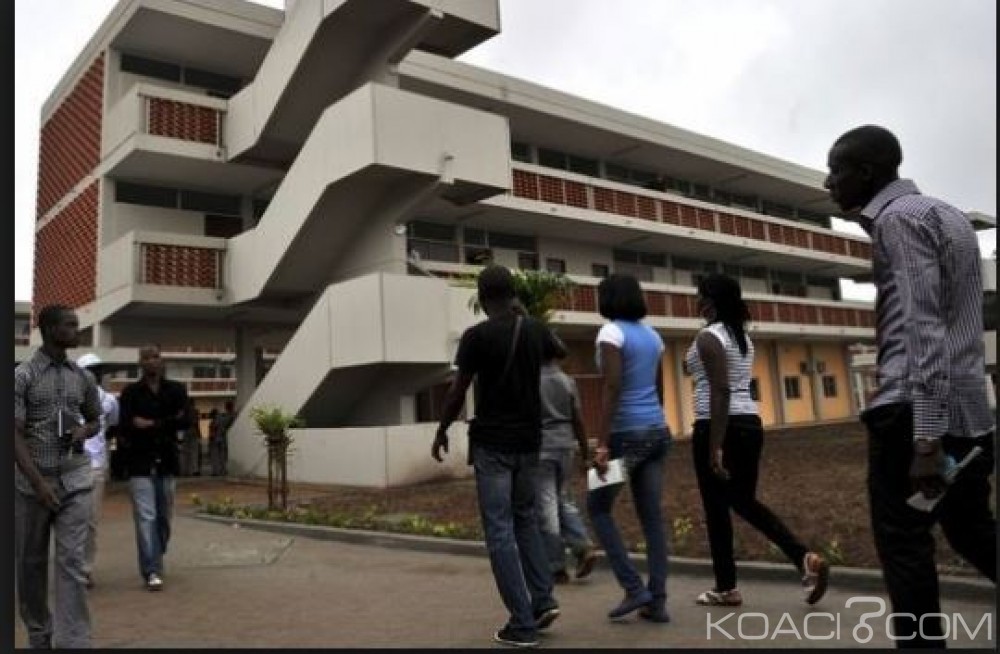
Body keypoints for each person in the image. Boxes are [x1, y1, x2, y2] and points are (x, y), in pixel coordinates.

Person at [825, 125, 996, 646]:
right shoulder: (950, 216)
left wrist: (925, 439)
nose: (828, 183)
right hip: (970, 409)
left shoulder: (897, 221)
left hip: (913, 411)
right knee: (971, 531)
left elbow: (923, 327)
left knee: (904, 546)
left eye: (836, 170)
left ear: (866, 172)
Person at [431, 264, 561, 648]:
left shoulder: (477, 337)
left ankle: (522, 624)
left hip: (493, 446)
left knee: (500, 530)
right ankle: (543, 600)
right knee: (525, 519)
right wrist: (525, 317)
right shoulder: (534, 329)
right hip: (529, 443)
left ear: (483, 298)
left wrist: (441, 430)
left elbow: (457, 391)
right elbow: (561, 350)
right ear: (513, 294)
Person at [684, 273, 829, 608]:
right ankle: (803, 557)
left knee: (716, 509)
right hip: (749, 424)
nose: (696, 300)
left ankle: (726, 587)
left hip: (717, 425)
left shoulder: (708, 337)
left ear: (710, 301)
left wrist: (715, 446)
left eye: (700, 294)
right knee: (744, 501)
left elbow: (720, 390)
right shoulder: (742, 338)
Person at [14, 304, 103, 648]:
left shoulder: (83, 377)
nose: (76, 330)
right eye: (70, 325)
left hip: (75, 481)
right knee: (31, 565)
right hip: (31, 485)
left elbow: (95, 419)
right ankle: (39, 634)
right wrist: (38, 483)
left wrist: (84, 430)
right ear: (50, 329)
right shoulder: (23, 376)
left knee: (72, 562)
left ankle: (74, 640)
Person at [587, 273, 672, 623]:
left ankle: (634, 588)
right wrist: (655, 424)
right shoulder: (653, 336)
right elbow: (658, 388)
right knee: (652, 518)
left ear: (608, 299)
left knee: (597, 507)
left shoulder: (610, 332)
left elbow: (612, 386)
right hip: (657, 433)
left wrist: (602, 442)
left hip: (626, 435)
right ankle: (657, 601)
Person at [118, 344, 190, 591]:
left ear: (162, 360)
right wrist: (168, 422)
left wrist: (150, 424)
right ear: (140, 363)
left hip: (166, 462)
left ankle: (157, 551)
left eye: (155, 356)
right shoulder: (130, 393)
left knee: (164, 517)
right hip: (139, 463)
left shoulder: (176, 390)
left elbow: (186, 420)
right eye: (146, 357)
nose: (151, 361)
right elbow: (126, 425)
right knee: (145, 517)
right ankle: (151, 570)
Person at [536, 339, 598, 584]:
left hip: (541, 447)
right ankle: (582, 546)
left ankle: (556, 566)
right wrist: (585, 453)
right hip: (565, 445)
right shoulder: (567, 381)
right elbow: (578, 420)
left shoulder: (531, 381)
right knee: (563, 498)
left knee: (547, 507)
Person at [75, 352, 120, 589]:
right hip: (71, 467)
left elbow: (112, 426)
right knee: (71, 521)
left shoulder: (109, 400)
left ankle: (85, 569)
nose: (96, 374)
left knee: (90, 522)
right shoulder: (67, 399)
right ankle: (70, 566)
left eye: (98, 370)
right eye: (90, 370)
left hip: (95, 467)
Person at [209, 400, 234, 477]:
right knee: (222, 455)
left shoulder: (220, 417)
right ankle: (222, 470)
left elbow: (214, 427)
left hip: (216, 438)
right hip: (222, 438)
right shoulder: (230, 416)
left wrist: (212, 435)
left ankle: (216, 471)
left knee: (215, 455)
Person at [178, 398, 202, 477]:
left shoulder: (182, 411)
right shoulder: (195, 411)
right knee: (194, 451)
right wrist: (199, 433)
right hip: (192, 430)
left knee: (184, 452)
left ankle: (184, 470)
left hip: (184, 431)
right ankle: (195, 470)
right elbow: (196, 423)